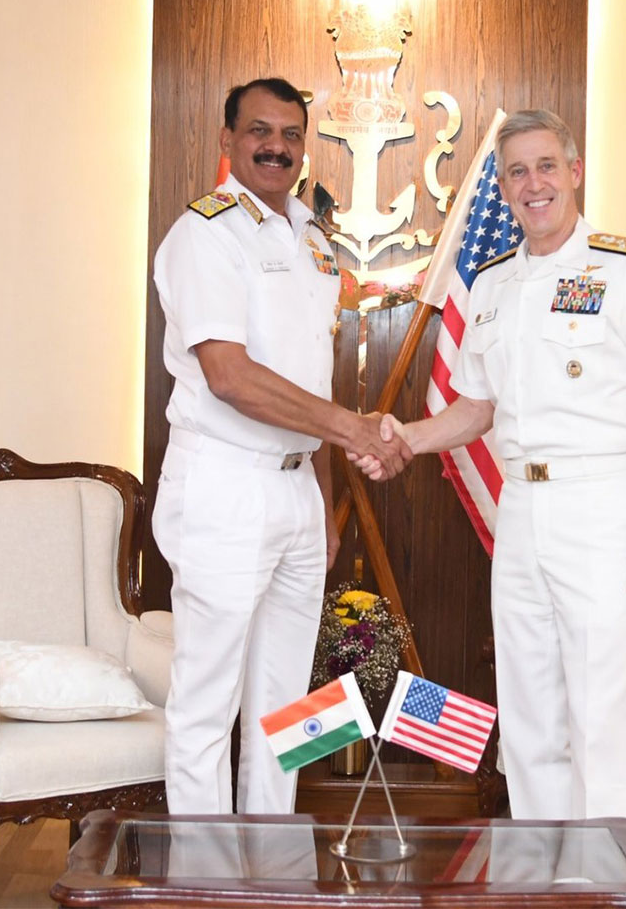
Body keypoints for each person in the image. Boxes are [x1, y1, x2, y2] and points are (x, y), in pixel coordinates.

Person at [352, 108, 626, 821]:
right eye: (517, 172)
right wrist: (405, 439)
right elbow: (477, 407)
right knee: (529, 713)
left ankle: (602, 886)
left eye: (547, 166)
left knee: (598, 717)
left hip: (602, 505)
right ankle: (543, 876)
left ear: (574, 173)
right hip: (522, 510)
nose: (533, 183)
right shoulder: (492, 284)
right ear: (504, 188)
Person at [152, 76, 413, 815]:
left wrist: (324, 505)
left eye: (291, 135)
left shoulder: (312, 244)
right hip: (224, 488)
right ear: (229, 141)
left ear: (304, 146)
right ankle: (203, 884)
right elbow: (230, 377)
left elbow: (312, 379)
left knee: (287, 706)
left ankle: (269, 866)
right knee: (208, 703)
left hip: (298, 493)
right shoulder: (203, 234)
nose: (276, 146)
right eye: (259, 131)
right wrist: (357, 430)